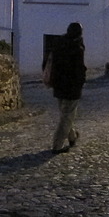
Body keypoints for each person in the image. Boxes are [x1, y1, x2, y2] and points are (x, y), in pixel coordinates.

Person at [43, 22, 86, 154]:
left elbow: (47, 61)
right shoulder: (76, 47)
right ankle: (57, 145)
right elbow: (79, 69)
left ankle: (72, 137)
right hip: (71, 86)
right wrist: (81, 82)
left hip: (58, 84)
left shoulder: (58, 43)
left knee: (66, 114)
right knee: (67, 116)